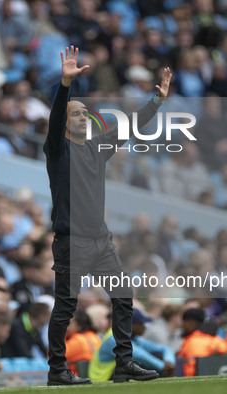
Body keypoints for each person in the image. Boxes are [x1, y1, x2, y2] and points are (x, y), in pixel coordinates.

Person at [44, 45, 171, 386]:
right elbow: (56, 118)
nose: (82, 118)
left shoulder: (97, 149)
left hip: (100, 242)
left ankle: (124, 362)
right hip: (72, 243)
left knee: (123, 295)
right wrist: (65, 86)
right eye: (76, 115)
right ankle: (57, 370)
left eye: (86, 114)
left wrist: (156, 102)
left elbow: (130, 128)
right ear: (65, 124)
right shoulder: (58, 150)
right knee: (66, 308)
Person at [89, 309, 176, 382]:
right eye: (141, 324)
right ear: (132, 325)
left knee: (157, 355)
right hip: (102, 379)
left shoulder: (133, 337)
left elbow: (164, 349)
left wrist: (169, 362)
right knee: (137, 363)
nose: (144, 327)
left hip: (114, 376)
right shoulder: (113, 338)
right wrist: (163, 366)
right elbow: (138, 354)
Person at [177, 309, 227, 377]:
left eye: (184, 322)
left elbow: (192, 370)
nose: (183, 326)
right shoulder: (216, 338)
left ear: (191, 322)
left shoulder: (194, 342)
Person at [65, 310, 101, 377]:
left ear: (79, 326)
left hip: (79, 378)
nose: (65, 326)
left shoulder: (77, 340)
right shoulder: (94, 336)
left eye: (68, 323)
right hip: (96, 375)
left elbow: (52, 356)